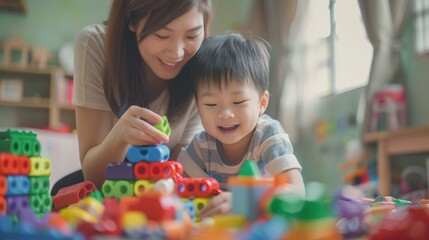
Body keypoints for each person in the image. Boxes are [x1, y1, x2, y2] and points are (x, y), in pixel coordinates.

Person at [68, 0, 212, 190]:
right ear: (132, 21)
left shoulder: (203, 63)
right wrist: (120, 136)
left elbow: (181, 175)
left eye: (192, 36)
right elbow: (93, 177)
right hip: (106, 192)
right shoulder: (95, 45)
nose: (177, 53)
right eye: (162, 35)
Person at [177, 32, 305, 218]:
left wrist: (243, 202)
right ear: (198, 108)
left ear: (262, 103)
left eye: (238, 102)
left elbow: (296, 191)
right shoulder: (202, 145)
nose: (225, 114)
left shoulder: (268, 135)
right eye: (211, 104)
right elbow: (179, 189)